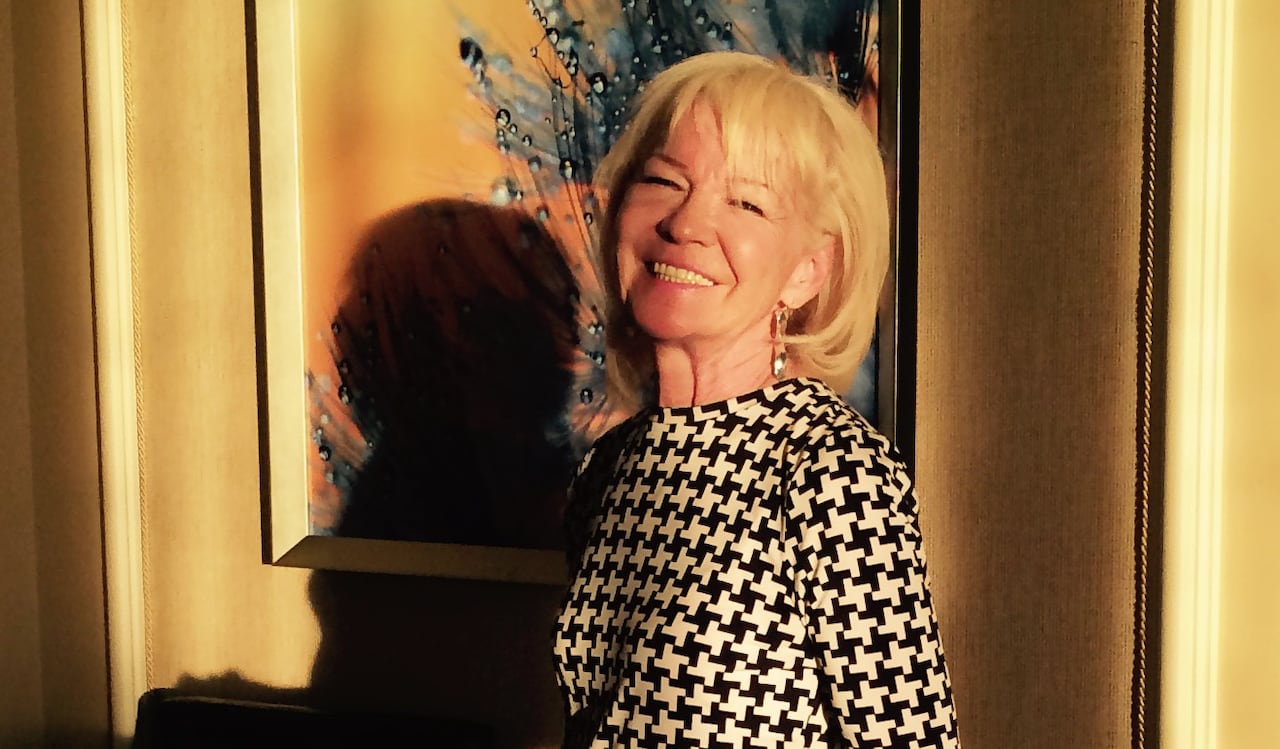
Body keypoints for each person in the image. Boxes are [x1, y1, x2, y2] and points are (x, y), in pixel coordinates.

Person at [553, 51, 960, 748]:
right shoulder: (612, 466)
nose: (685, 223)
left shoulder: (833, 470)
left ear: (807, 271)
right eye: (664, 181)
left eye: (746, 202)